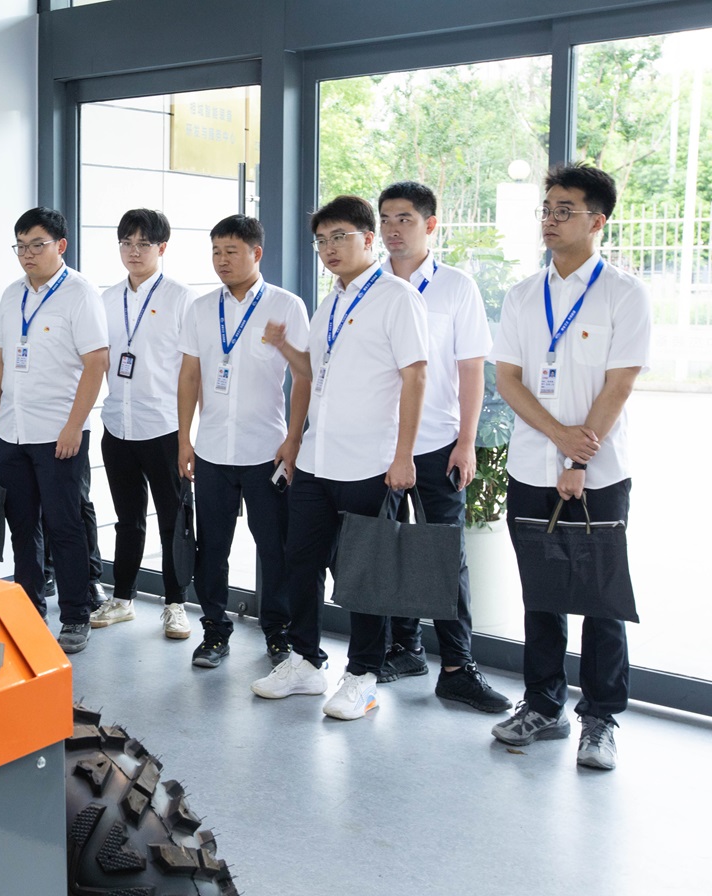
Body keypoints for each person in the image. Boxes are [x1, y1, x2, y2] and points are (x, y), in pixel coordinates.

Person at [489, 164, 650, 770]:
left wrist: (578, 458)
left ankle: (600, 719)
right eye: (547, 209)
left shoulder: (623, 293)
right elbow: (509, 379)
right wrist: (558, 439)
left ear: (597, 220)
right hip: (531, 467)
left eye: (565, 210)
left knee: (601, 599)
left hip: (600, 473)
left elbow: (619, 384)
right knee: (542, 594)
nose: (551, 220)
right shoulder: (523, 294)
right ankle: (543, 704)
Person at [250, 195, 428, 720]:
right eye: (321, 241)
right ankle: (306, 661)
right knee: (300, 562)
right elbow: (314, 371)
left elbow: (416, 376)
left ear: (368, 239)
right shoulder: (330, 302)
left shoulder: (396, 298)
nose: (329, 248)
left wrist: (404, 456)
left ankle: (363, 676)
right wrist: (285, 349)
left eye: (339, 237)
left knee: (364, 574)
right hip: (316, 459)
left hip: (370, 462)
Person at [375, 182, 511, 713]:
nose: (392, 229)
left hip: (438, 444)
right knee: (387, 549)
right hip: (378, 446)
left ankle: (457, 667)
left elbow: (471, 369)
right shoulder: (367, 285)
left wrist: (467, 443)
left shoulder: (456, 287)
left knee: (444, 556)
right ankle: (404, 648)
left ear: (430, 225)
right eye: (386, 219)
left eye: (404, 219)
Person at [176, 214, 309, 668]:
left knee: (275, 548)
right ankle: (215, 631)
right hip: (212, 449)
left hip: (266, 451)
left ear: (257, 253)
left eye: (231, 251)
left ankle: (279, 633)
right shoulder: (200, 308)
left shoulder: (286, 306)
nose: (221, 260)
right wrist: (185, 439)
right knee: (211, 548)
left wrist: (294, 439)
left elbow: (303, 376)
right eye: (215, 251)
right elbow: (189, 375)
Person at [0, 207, 109, 654]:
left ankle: (76, 615)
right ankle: (29, 609)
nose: (27, 254)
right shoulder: (12, 293)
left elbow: (97, 363)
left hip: (59, 435)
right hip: (12, 432)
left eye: (37, 245)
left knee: (64, 527)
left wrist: (74, 427)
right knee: (22, 526)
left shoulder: (80, 294)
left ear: (60, 245)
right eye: (20, 246)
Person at [89, 209, 197, 640]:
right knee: (127, 520)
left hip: (164, 428)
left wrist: (189, 434)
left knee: (173, 520)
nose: (134, 252)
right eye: (126, 243)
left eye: (143, 244)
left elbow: (192, 371)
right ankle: (123, 599)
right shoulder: (106, 298)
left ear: (162, 248)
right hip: (118, 425)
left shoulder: (181, 298)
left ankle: (176, 604)